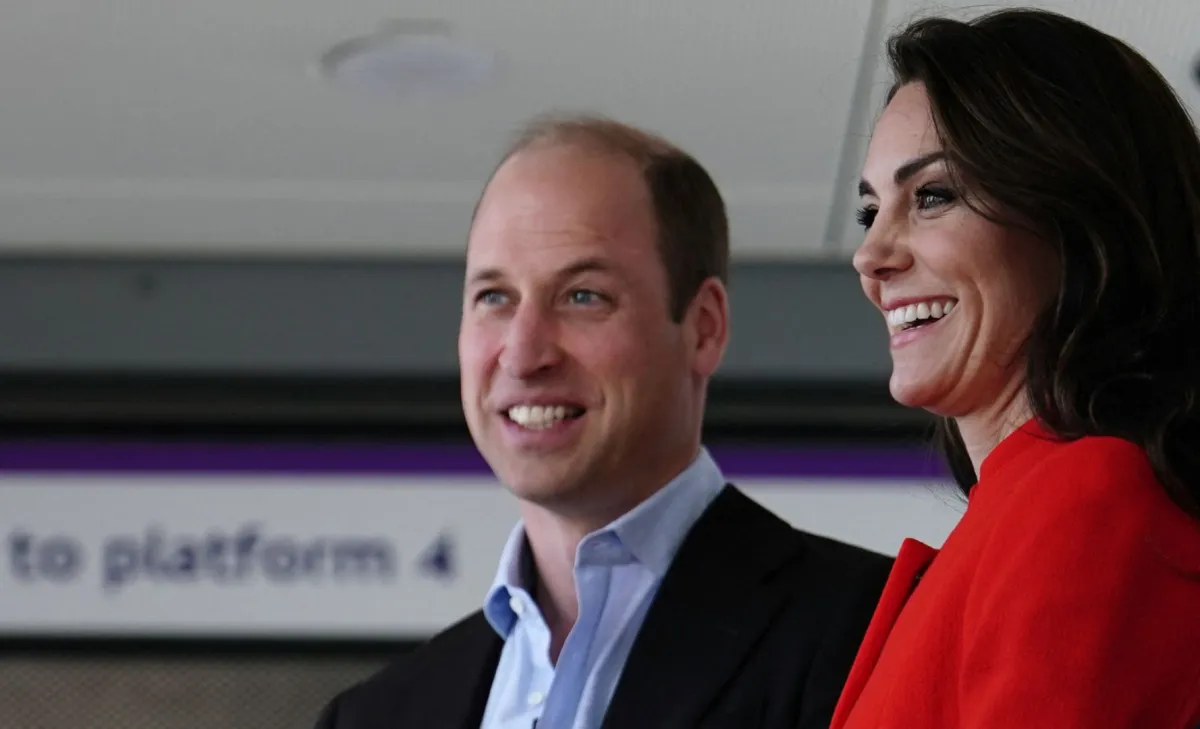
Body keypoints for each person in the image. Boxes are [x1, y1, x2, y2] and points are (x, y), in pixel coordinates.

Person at [312, 115, 892, 729]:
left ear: (704, 328)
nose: (524, 352)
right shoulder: (370, 716)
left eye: (582, 296)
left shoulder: (872, 633)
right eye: (494, 297)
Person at [831, 8, 1200, 729]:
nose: (871, 256)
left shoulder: (1085, 500)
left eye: (932, 196)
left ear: (1079, 223)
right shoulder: (1023, 513)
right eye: (870, 212)